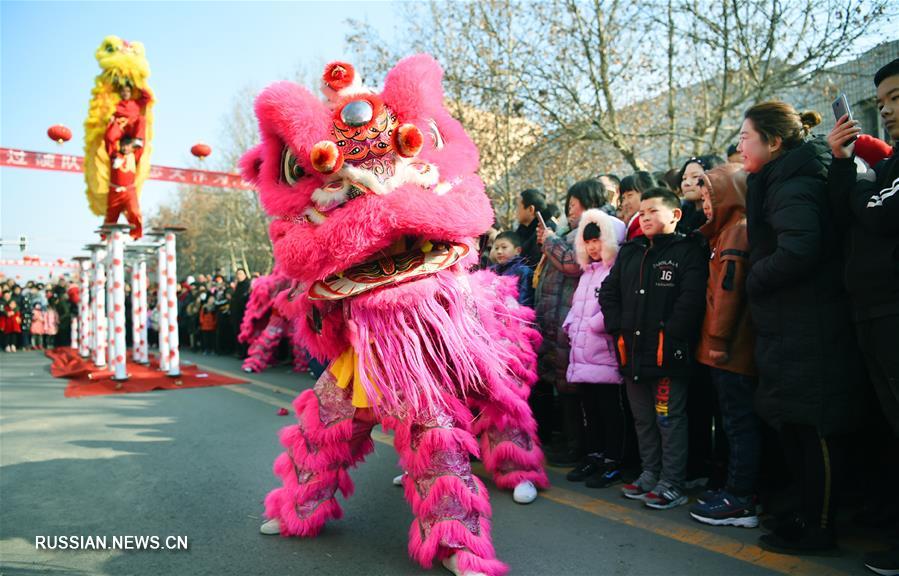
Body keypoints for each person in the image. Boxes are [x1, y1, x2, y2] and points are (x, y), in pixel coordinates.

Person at [740, 101, 859, 554]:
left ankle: (820, 526)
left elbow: (800, 248)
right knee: (793, 425)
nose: (739, 146)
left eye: (746, 137)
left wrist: (755, 277)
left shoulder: (794, 181)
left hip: (810, 324)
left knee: (814, 427)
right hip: (787, 325)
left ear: (773, 142)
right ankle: (804, 515)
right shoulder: (778, 177)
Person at [826, 57, 899, 575]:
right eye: (884, 101)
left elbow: (878, 214)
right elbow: (848, 213)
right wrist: (841, 163)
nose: (888, 110)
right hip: (871, 313)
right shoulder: (887, 168)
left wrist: (858, 185)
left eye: (897, 97)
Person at [599, 187, 708, 510]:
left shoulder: (688, 250)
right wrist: (617, 326)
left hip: (666, 356)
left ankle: (671, 482)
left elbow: (692, 299)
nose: (644, 217)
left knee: (669, 419)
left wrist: (672, 333)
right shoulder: (631, 251)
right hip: (631, 352)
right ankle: (650, 474)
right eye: (641, 212)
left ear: (675, 215)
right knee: (643, 419)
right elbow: (609, 292)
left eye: (653, 211)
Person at [687, 164, 761, 528]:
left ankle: (741, 498)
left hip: (731, 351)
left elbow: (728, 294)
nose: (704, 206)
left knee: (738, 425)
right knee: (734, 424)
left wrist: (716, 342)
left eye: (709, 198)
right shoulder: (725, 232)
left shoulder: (737, 232)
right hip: (728, 350)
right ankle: (735, 489)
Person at [534, 179, 607, 463]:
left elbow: (572, 264)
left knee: (571, 385)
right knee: (559, 381)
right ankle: (566, 440)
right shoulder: (571, 231)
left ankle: (577, 447)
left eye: (573, 205)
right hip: (558, 316)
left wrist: (550, 241)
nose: (570, 210)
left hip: (574, 318)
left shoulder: (596, 228)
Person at [562, 208, 628, 488]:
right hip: (583, 353)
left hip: (604, 353)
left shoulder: (616, 270)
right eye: (587, 242)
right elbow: (577, 306)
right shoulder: (588, 273)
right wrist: (571, 326)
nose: (592, 247)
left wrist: (592, 324)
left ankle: (613, 460)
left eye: (598, 240)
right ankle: (594, 455)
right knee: (589, 408)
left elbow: (615, 306)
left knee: (609, 410)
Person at [104, 136, 144, 239]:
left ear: (132, 146)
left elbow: (142, 141)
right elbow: (109, 139)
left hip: (130, 191)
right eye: (123, 145)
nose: (125, 148)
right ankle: (105, 238)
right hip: (115, 191)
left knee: (135, 212)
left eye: (128, 145)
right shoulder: (113, 155)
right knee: (111, 216)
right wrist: (113, 123)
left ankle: (135, 235)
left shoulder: (135, 156)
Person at [489, 231, 534, 307]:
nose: (499, 251)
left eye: (504, 247)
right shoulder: (492, 271)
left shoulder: (523, 271)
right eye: (496, 248)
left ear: (518, 250)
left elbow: (524, 302)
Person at [515, 189, 552, 268]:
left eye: (518, 207)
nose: (516, 211)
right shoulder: (523, 231)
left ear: (531, 209)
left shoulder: (545, 231)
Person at [618, 171, 655, 241]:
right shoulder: (632, 227)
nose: (624, 203)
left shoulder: (647, 228)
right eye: (623, 198)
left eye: (629, 195)